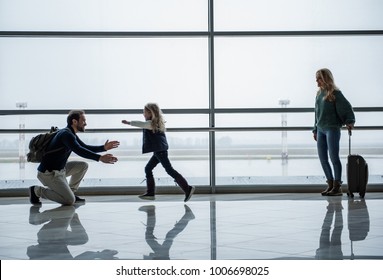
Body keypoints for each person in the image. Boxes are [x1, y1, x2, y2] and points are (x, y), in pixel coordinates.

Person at [29, 110, 119, 205]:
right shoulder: (66, 134)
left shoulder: (70, 133)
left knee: (83, 166)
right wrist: (100, 158)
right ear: (74, 121)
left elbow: (84, 147)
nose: (85, 123)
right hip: (48, 174)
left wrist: (103, 148)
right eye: (83, 121)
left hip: (60, 171)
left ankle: (70, 192)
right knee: (69, 201)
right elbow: (79, 150)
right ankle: (36, 191)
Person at [122, 103, 195, 202]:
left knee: (169, 170)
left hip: (160, 151)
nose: (143, 114)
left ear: (150, 113)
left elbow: (141, 124)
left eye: (144, 112)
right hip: (159, 151)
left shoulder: (151, 123)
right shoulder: (156, 123)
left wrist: (129, 122)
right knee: (148, 168)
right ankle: (150, 193)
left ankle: (187, 188)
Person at [313, 68, 355, 196]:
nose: (317, 82)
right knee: (323, 158)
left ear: (325, 79)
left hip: (332, 129)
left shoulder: (335, 93)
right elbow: (316, 113)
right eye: (316, 79)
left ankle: (337, 187)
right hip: (320, 129)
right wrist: (315, 129)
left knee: (334, 157)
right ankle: (330, 184)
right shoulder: (318, 94)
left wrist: (350, 121)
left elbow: (347, 107)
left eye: (319, 79)